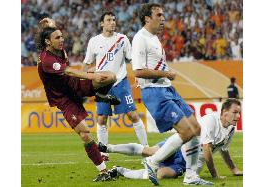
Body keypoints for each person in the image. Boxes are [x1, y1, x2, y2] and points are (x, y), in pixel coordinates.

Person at [131, 3, 212, 185]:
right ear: (147, 18)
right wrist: (166, 73)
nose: (163, 19)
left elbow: (150, 66)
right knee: (186, 131)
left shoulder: (154, 38)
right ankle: (152, 161)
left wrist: (166, 73)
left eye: (163, 15)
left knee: (196, 128)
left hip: (167, 88)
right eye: (159, 15)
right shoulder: (140, 38)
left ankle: (190, 176)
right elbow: (138, 70)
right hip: (155, 92)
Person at [35, 18, 120, 182]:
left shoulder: (56, 47)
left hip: (75, 85)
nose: (62, 40)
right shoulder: (46, 60)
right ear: (48, 42)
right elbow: (70, 72)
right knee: (85, 133)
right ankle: (103, 172)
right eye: (57, 38)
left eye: (61, 37)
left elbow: (72, 76)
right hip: (64, 98)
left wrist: (52, 24)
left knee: (110, 76)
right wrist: (92, 75)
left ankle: (100, 95)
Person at [99, 99, 243, 180]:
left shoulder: (230, 129)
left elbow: (224, 150)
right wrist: (215, 176)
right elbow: (207, 150)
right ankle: (108, 147)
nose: (238, 116)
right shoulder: (211, 120)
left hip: (184, 163)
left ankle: (120, 170)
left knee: (160, 175)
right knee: (150, 151)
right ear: (224, 112)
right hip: (181, 146)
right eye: (235, 113)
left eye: (239, 113)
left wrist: (234, 169)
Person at [83, 11, 149, 160]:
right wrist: (81, 82)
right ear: (102, 23)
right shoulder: (94, 41)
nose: (112, 22)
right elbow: (87, 63)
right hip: (102, 86)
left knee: (133, 115)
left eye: (114, 19)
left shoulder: (122, 39)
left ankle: (146, 150)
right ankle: (103, 153)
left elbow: (132, 59)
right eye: (108, 20)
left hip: (121, 82)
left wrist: (138, 75)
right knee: (102, 118)